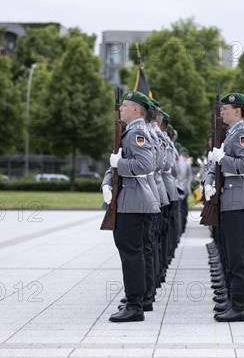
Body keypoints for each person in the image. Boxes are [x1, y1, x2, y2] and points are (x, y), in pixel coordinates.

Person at [204, 92, 244, 322]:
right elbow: (217, 163)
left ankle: (240, 307)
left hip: (241, 203)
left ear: (237, 111)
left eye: (226, 108)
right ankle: (232, 300)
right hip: (231, 201)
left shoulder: (243, 134)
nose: (222, 112)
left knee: (239, 258)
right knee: (230, 256)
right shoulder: (231, 134)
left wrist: (222, 160)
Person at [102, 90, 160, 322]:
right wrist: (107, 182)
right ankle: (137, 300)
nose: (121, 109)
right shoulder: (130, 131)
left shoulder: (138, 133)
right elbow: (115, 162)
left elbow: (145, 164)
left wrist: (120, 164)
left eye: (125, 106)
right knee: (132, 251)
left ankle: (135, 305)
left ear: (136, 109)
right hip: (130, 199)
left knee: (131, 253)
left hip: (134, 202)